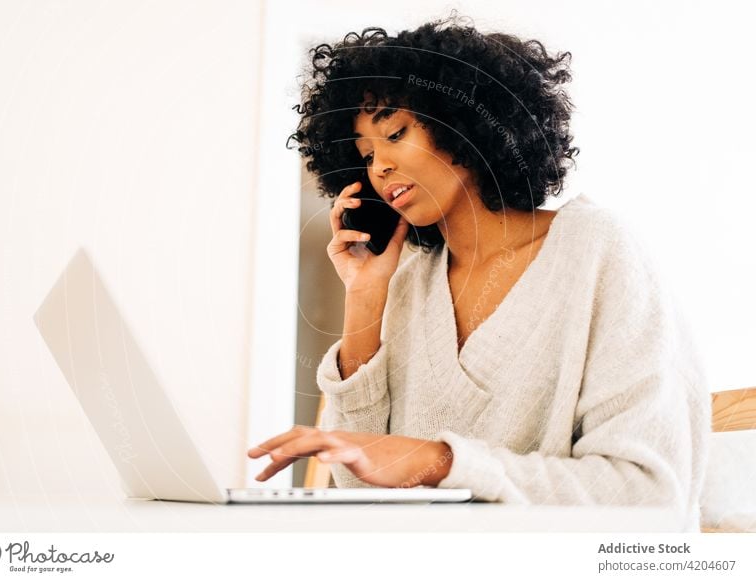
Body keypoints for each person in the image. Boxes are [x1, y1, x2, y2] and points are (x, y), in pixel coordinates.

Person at [247, 13, 710, 530]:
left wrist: (441, 461)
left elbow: (646, 494)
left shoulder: (598, 249)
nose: (378, 167)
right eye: (366, 154)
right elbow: (360, 487)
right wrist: (364, 297)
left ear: (463, 123)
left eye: (395, 133)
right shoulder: (409, 279)